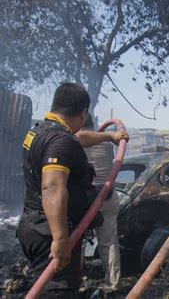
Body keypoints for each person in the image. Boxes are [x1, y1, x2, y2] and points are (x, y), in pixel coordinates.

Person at [17, 83, 128, 298]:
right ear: (83, 112)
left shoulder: (40, 132)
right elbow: (52, 187)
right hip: (49, 232)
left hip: (32, 225)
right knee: (58, 292)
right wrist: (60, 240)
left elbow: (80, 138)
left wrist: (110, 137)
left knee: (44, 288)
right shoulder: (60, 141)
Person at [82, 114, 121, 292]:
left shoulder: (75, 142)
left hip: (85, 199)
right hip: (107, 196)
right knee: (109, 242)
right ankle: (113, 284)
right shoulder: (106, 143)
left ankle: (75, 282)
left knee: (77, 241)